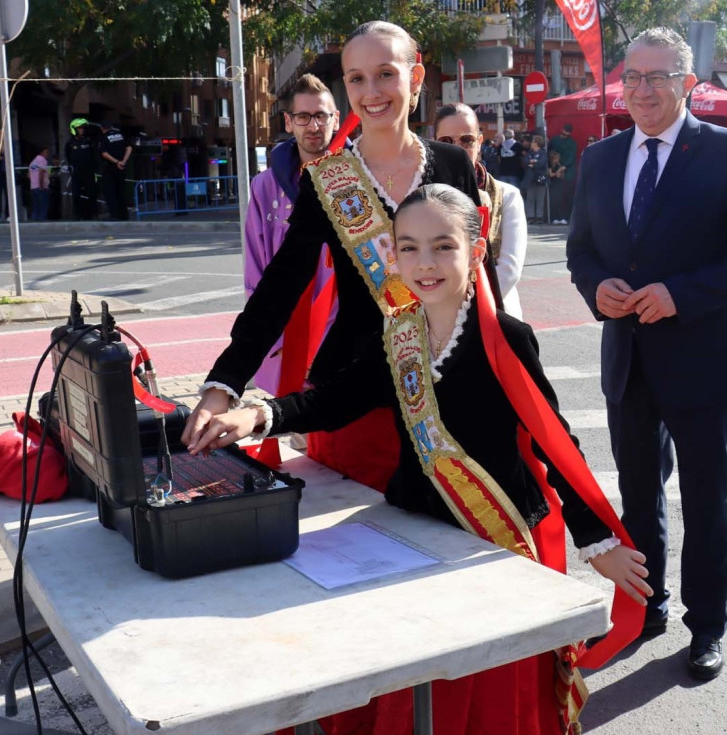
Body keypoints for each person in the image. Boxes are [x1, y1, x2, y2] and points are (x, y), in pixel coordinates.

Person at [189, 183, 652, 735]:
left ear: (475, 251)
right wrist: (258, 416)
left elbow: (554, 439)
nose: (425, 263)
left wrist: (597, 541)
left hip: (493, 539)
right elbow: (336, 399)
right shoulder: (398, 334)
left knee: (484, 687)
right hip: (418, 527)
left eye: (443, 246)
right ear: (393, 255)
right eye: (408, 247)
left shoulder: (505, 337)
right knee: (416, 677)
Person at [566, 27, 727, 681]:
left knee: (707, 500)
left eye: (658, 77)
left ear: (688, 85)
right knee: (637, 497)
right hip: (628, 357)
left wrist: (679, 294)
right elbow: (581, 251)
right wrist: (595, 288)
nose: (642, 90)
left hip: (703, 359)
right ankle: (645, 606)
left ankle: (706, 626)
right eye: (632, 77)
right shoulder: (601, 158)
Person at [182, 21, 481, 496]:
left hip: (451, 390)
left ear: (416, 77)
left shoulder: (453, 164)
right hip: (356, 399)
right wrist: (224, 385)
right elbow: (280, 287)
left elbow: (479, 284)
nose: (372, 92)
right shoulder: (326, 180)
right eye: (357, 78)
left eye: (386, 74)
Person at [245, 73, 339, 396]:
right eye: (303, 116)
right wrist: (272, 334)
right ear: (288, 121)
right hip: (287, 335)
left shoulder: (358, 179)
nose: (313, 126)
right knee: (293, 418)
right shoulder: (265, 186)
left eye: (321, 116)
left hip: (343, 333)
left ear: (336, 118)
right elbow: (255, 267)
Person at [434, 102, 527, 318]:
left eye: (466, 140)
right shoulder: (423, 195)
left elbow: (509, 270)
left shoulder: (507, 195)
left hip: (495, 311)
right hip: (436, 316)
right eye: (446, 141)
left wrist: (463, 309)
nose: (457, 149)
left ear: (479, 142)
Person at [64, 118, 98, 220]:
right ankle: (77, 215)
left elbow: (93, 155)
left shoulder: (88, 141)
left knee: (91, 193)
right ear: (74, 129)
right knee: (76, 195)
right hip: (76, 172)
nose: (81, 130)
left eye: (82, 128)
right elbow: (68, 157)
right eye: (79, 128)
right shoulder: (69, 143)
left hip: (88, 171)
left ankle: (92, 214)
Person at [99, 120, 130, 220]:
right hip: (121, 169)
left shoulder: (104, 138)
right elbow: (129, 148)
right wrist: (123, 161)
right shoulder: (121, 135)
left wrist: (116, 162)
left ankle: (114, 215)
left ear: (102, 128)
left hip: (110, 169)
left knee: (110, 192)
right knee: (121, 192)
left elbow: (104, 154)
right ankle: (124, 215)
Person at [548, 123, 577, 223]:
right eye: (564, 134)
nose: (565, 136)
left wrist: (562, 168)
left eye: (567, 135)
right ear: (561, 130)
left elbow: (571, 158)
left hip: (567, 173)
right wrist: (551, 169)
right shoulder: (554, 140)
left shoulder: (572, 143)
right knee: (556, 196)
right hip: (555, 171)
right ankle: (555, 217)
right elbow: (549, 153)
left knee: (567, 196)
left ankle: (567, 218)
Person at [522, 134, 548, 224]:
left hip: (540, 179)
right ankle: (530, 216)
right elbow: (525, 161)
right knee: (530, 198)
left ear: (537, 143)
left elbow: (542, 163)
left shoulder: (542, 153)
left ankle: (539, 217)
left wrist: (533, 164)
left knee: (540, 198)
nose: (531, 143)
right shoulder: (530, 152)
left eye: (533, 142)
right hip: (530, 179)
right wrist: (532, 161)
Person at [28, 146, 51, 221]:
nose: (47, 154)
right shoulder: (42, 160)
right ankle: (42, 220)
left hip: (33, 187)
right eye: (46, 152)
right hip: (41, 187)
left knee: (35, 206)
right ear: (41, 152)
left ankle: (34, 220)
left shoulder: (33, 162)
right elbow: (41, 172)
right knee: (43, 205)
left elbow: (28, 175)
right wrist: (41, 185)